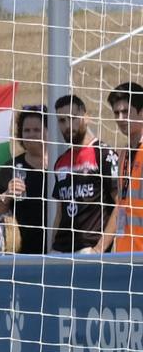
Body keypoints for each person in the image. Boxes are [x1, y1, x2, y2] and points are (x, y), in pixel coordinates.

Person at [50, 94, 121, 254]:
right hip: (60, 251)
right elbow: (60, 212)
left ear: (86, 117)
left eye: (73, 118)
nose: (68, 125)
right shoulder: (60, 162)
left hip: (88, 250)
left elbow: (120, 206)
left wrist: (99, 249)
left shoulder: (104, 155)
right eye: (62, 120)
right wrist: (52, 247)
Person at [0, 105, 50, 255]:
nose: (31, 135)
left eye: (36, 130)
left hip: (63, 251)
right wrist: (7, 195)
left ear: (49, 131)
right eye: (26, 131)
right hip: (24, 254)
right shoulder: (11, 168)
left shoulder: (63, 163)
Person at [97, 84, 143, 253]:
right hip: (125, 253)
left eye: (126, 112)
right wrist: (99, 248)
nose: (121, 118)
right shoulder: (123, 154)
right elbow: (120, 206)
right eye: (117, 113)